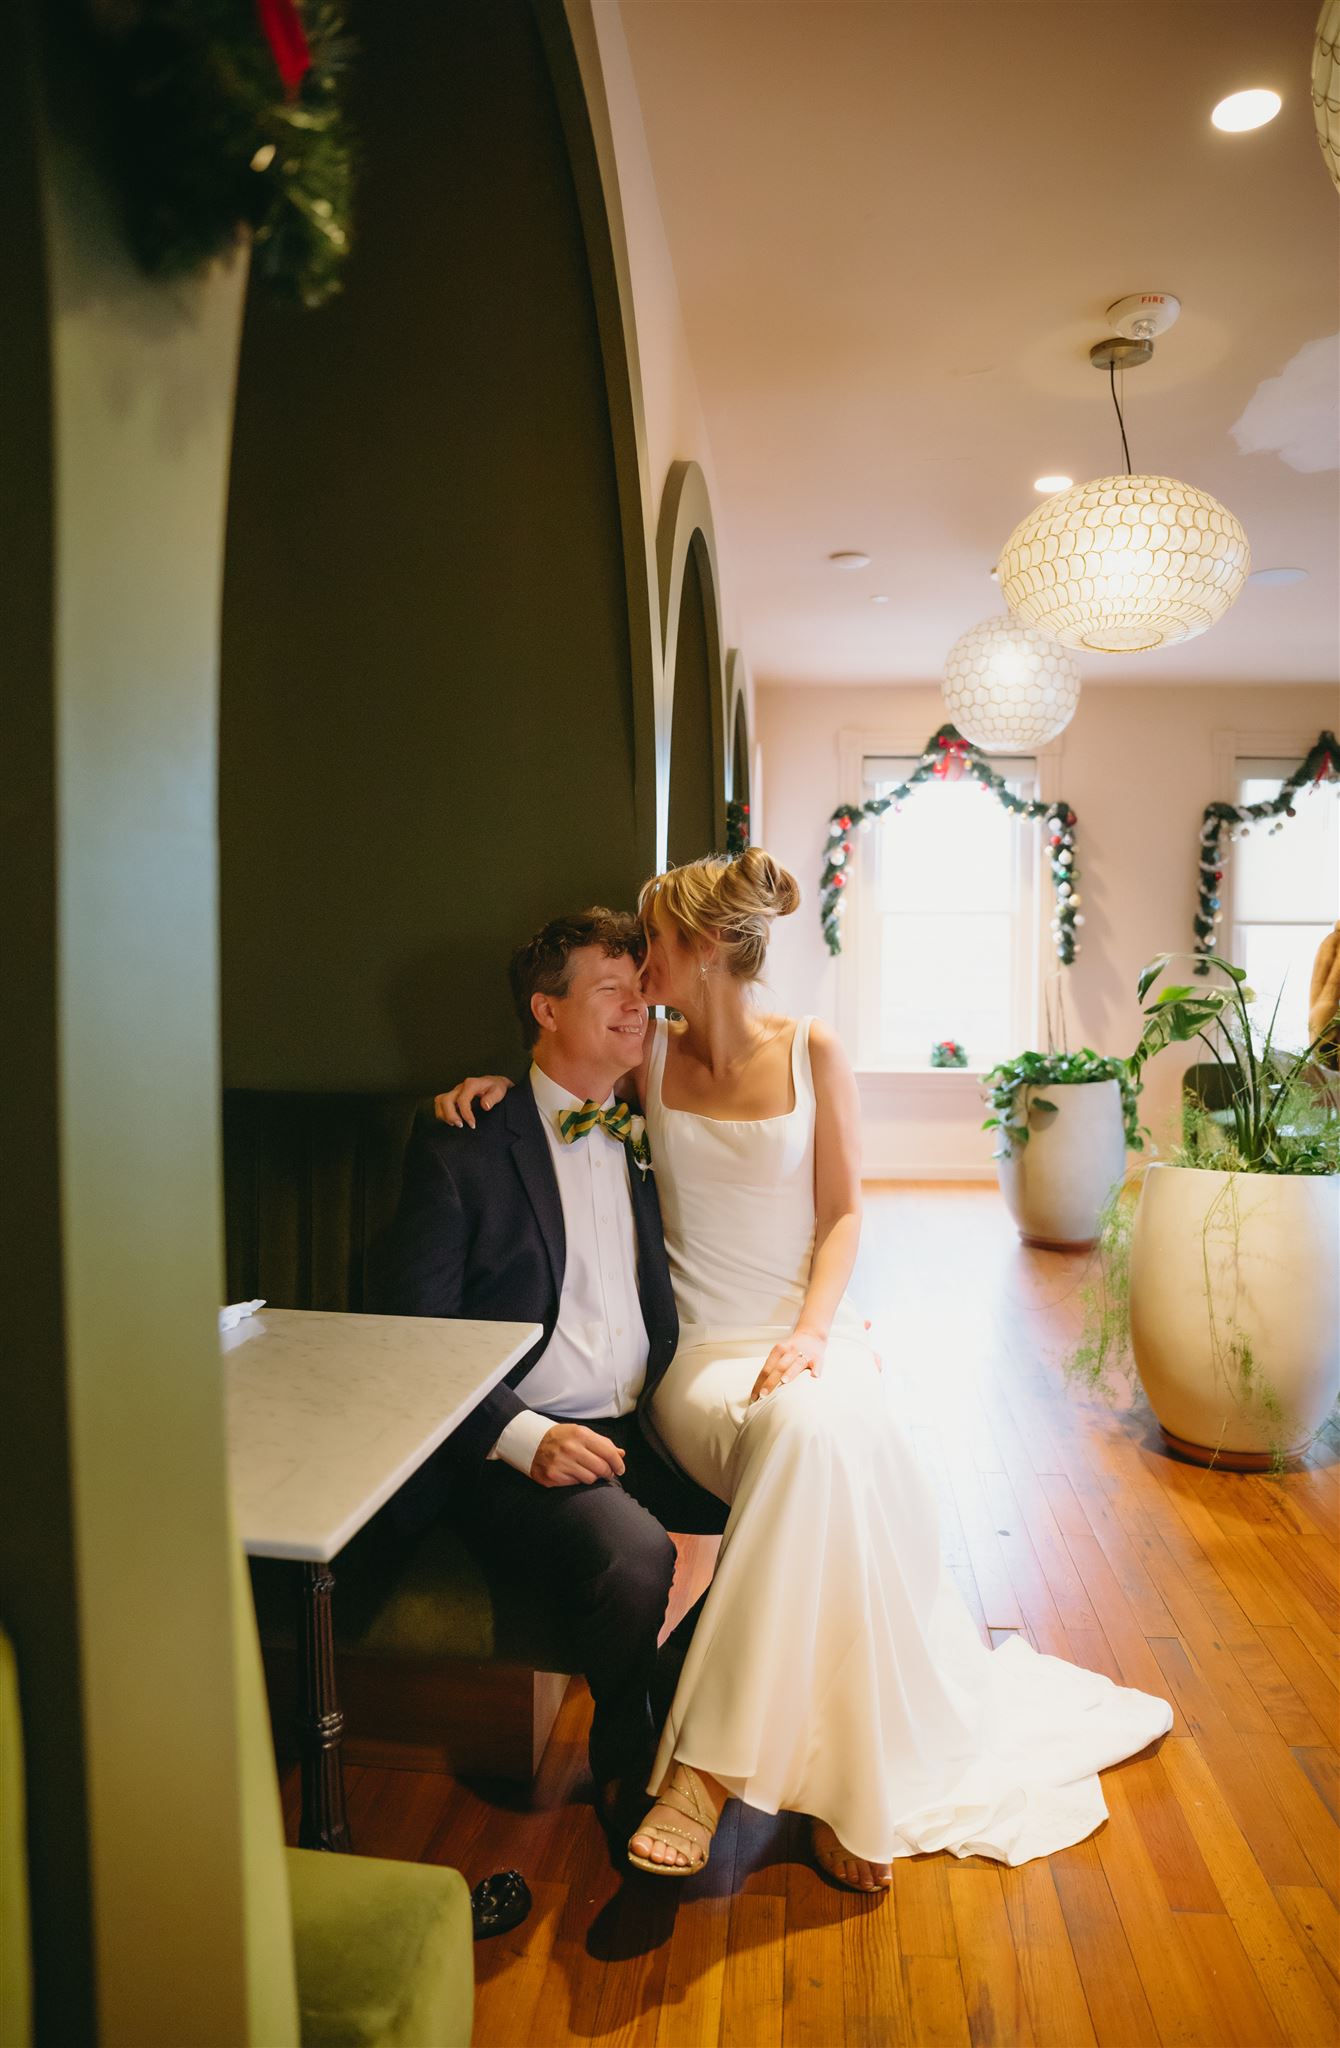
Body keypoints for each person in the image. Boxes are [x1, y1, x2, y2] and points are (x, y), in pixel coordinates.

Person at [436, 851, 1173, 1892]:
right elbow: (564, 1088)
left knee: (820, 1436)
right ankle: (821, 1789)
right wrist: (492, 1087)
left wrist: (816, 1332)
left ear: (696, 949)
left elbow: (843, 1213)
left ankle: (729, 1777)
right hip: (699, 1364)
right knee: (816, 1443)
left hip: (811, 1338)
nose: (640, 969)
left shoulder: (811, 1047)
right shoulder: (647, 1056)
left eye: (651, 943)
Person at [383, 908, 727, 1825]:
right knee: (633, 1557)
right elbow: (415, 1336)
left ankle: (705, 1721)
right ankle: (629, 1757)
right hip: (509, 1443)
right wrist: (522, 1437)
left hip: (644, 1423)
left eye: (641, 989)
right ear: (546, 1008)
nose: (637, 1008)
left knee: (787, 1510)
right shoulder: (463, 1143)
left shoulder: (646, 1121)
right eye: (612, 990)